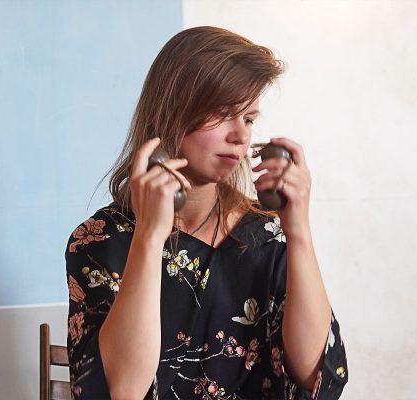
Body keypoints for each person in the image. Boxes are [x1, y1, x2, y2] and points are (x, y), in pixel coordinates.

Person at [66, 26, 348, 400]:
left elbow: (316, 378)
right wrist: (149, 239)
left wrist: (298, 233)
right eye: (222, 113)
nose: (241, 136)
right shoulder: (99, 240)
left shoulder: (267, 237)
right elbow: (123, 390)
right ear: (171, 111)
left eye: (248, 118)